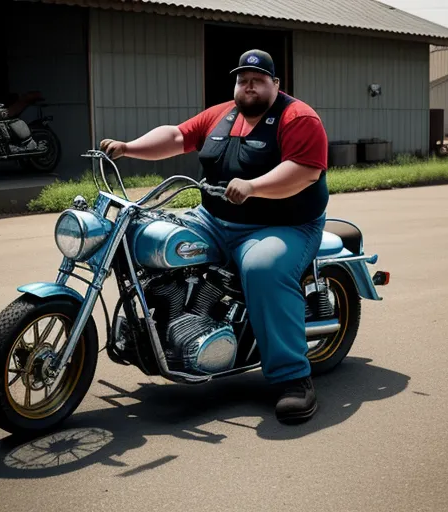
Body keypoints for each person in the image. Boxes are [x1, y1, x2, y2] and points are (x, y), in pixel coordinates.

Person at [100, 49, 330, 424]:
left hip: (283, 225)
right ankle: (170, 326)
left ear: (275, 83)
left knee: (262, 268)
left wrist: (254, 186)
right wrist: (128, 148)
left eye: (257, 79)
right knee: (146, 236)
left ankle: (293, 378)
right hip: (213, 218)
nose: (249, 85)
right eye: (243, 79)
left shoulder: (298, 117)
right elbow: (177, 136)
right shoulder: (221, 115)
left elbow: (304, 172)